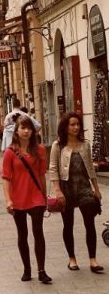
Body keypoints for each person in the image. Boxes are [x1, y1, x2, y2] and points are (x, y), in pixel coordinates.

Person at [49, 112, 103, 273]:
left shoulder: (85, 145)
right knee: (68, 224)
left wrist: (96, 189)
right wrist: (57, 190)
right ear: (65, 127)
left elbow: (91, 169)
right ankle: (72, 259)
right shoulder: (57, 146)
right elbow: (53, 168)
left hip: (84, 188)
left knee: (90, 223)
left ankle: (93, 260)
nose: (76, 127)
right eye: (72, 124)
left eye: (77, 124)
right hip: (67, 189)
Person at [2, 115, 51, 284]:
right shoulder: (10, 152)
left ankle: (42, 270)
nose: (26, 131)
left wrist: (44, 196)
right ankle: (27, 269)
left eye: (29, 128)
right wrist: (8, 200)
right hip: (18, 198)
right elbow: (6, 178)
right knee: (22, 234)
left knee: (38, 233)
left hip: (36, 197)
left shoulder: (40, 150)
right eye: (23, 128)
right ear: (16, 130)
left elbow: (42, 175)